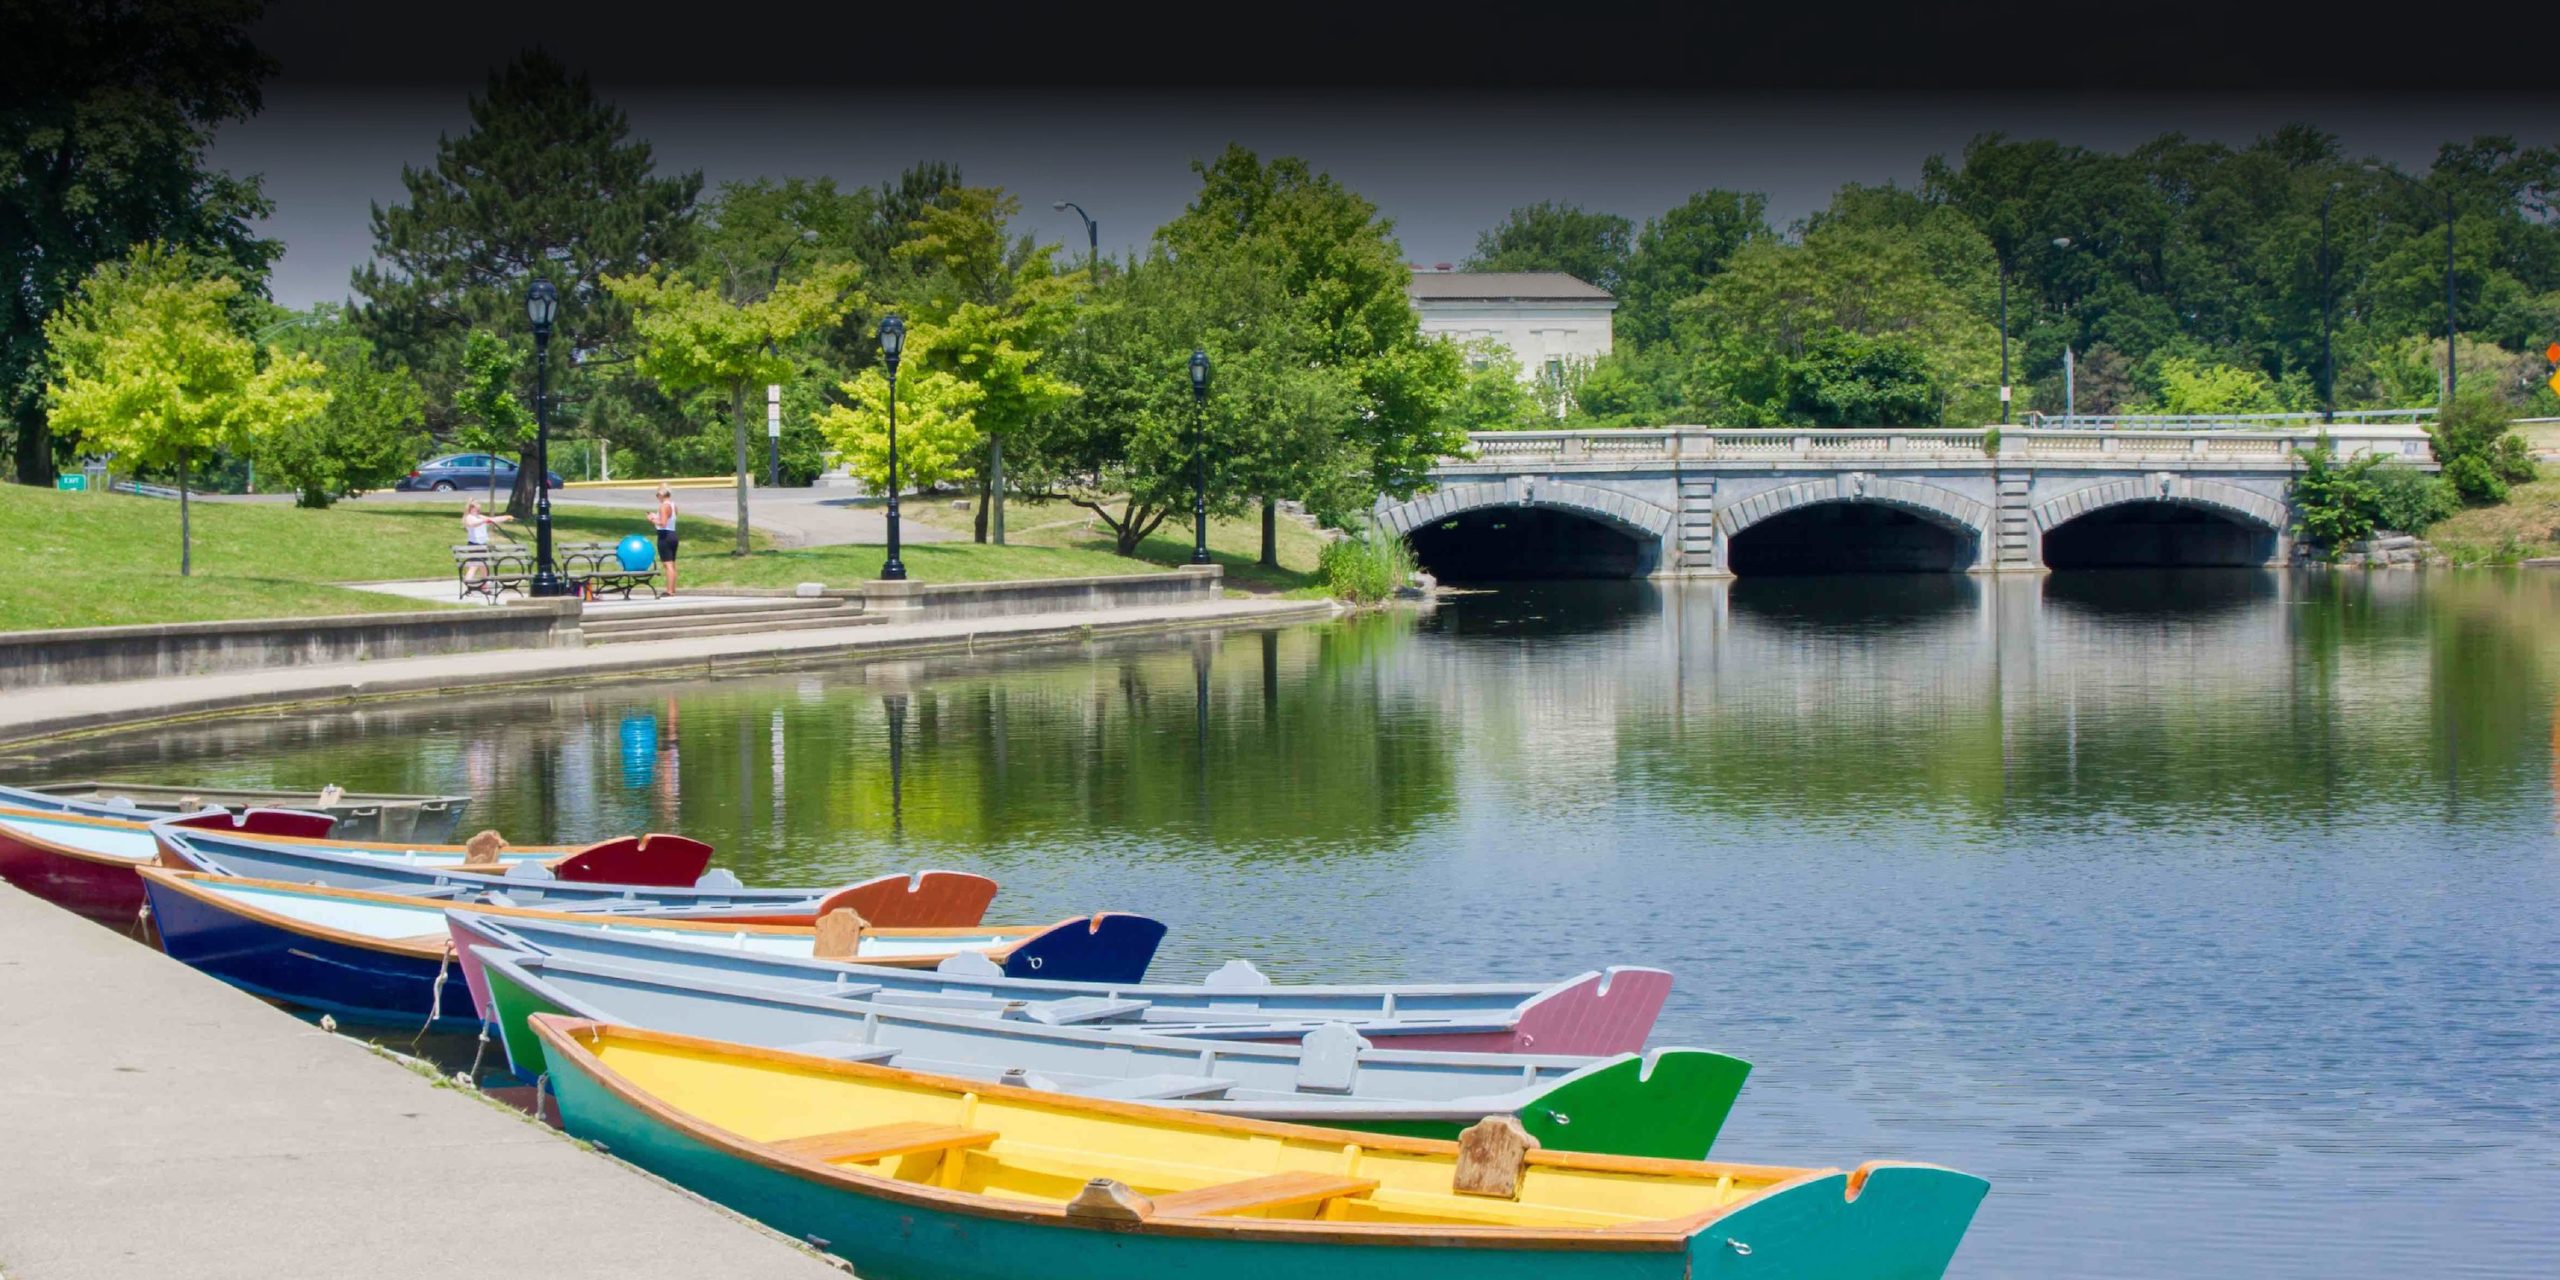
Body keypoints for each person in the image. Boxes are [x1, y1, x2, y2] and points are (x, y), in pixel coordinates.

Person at [460, 500, 513, 599]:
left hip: (482, 545)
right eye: (477, 509)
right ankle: (468, 588)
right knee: (474, 567)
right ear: (471, 509)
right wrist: (484, 520)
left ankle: (484, 587)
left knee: (484, 567)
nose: (479, 511)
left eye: (479, 509)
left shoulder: (479, 517)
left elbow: (492, 519)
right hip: (474, 545)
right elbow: (473, 524)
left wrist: (505, 517)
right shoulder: (469, 518)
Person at [650, 485, 679, 595]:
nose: (657, 497)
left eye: (657, 495)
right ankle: (672, 588)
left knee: (668, 564)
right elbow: (670, 518)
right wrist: (656, 517)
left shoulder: (663, 506)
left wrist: (652, 519)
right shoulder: (673, 505)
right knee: (672, 563)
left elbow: (663, 523)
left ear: (661, 495)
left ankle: (670, 591)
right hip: (673, 534)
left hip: (664, 535)